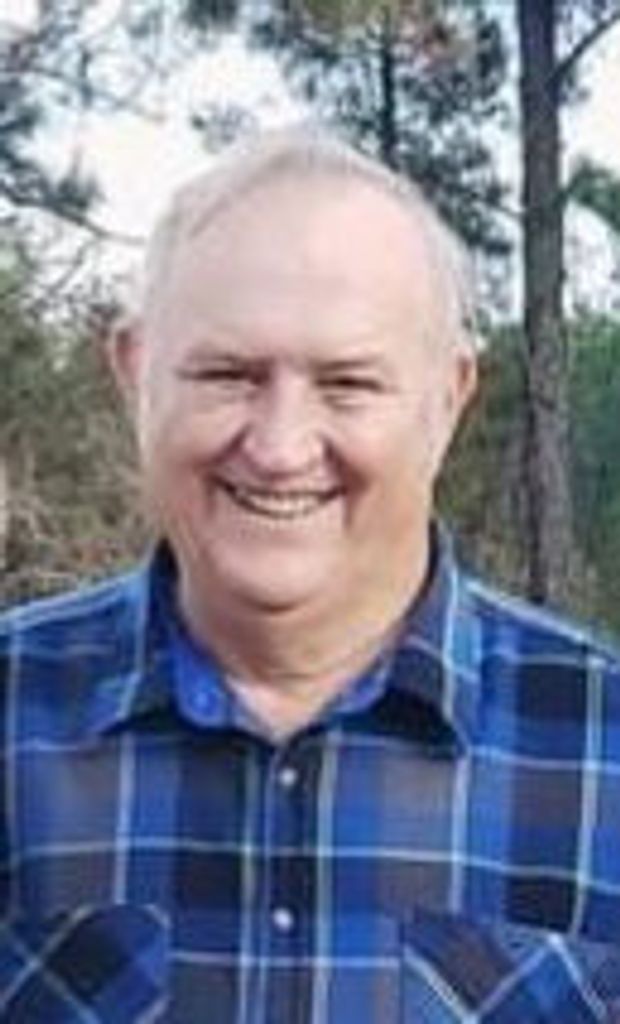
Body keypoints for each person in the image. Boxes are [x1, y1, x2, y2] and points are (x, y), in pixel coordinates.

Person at [1, 129, 619, 1023]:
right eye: (228, 374)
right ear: (135, 373)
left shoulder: (600, 744)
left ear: (448, 398)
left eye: (347, 383)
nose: (280, 446)